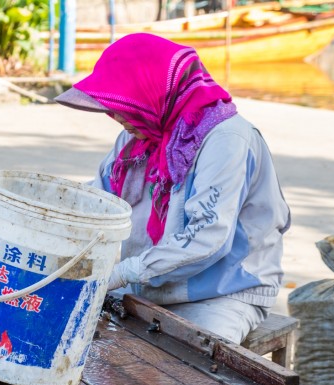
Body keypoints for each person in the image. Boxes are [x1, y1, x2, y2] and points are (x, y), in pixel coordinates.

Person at [55, 33, 291, 344]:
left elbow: (207, 238)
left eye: (121, 104)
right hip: (149, 284)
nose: (114, 116)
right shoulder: (138, 134)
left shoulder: (227, 139)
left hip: (222, 294)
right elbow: (100, 200)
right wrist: (50, 213)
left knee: (194, 370)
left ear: (151, 92)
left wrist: (123, 273)